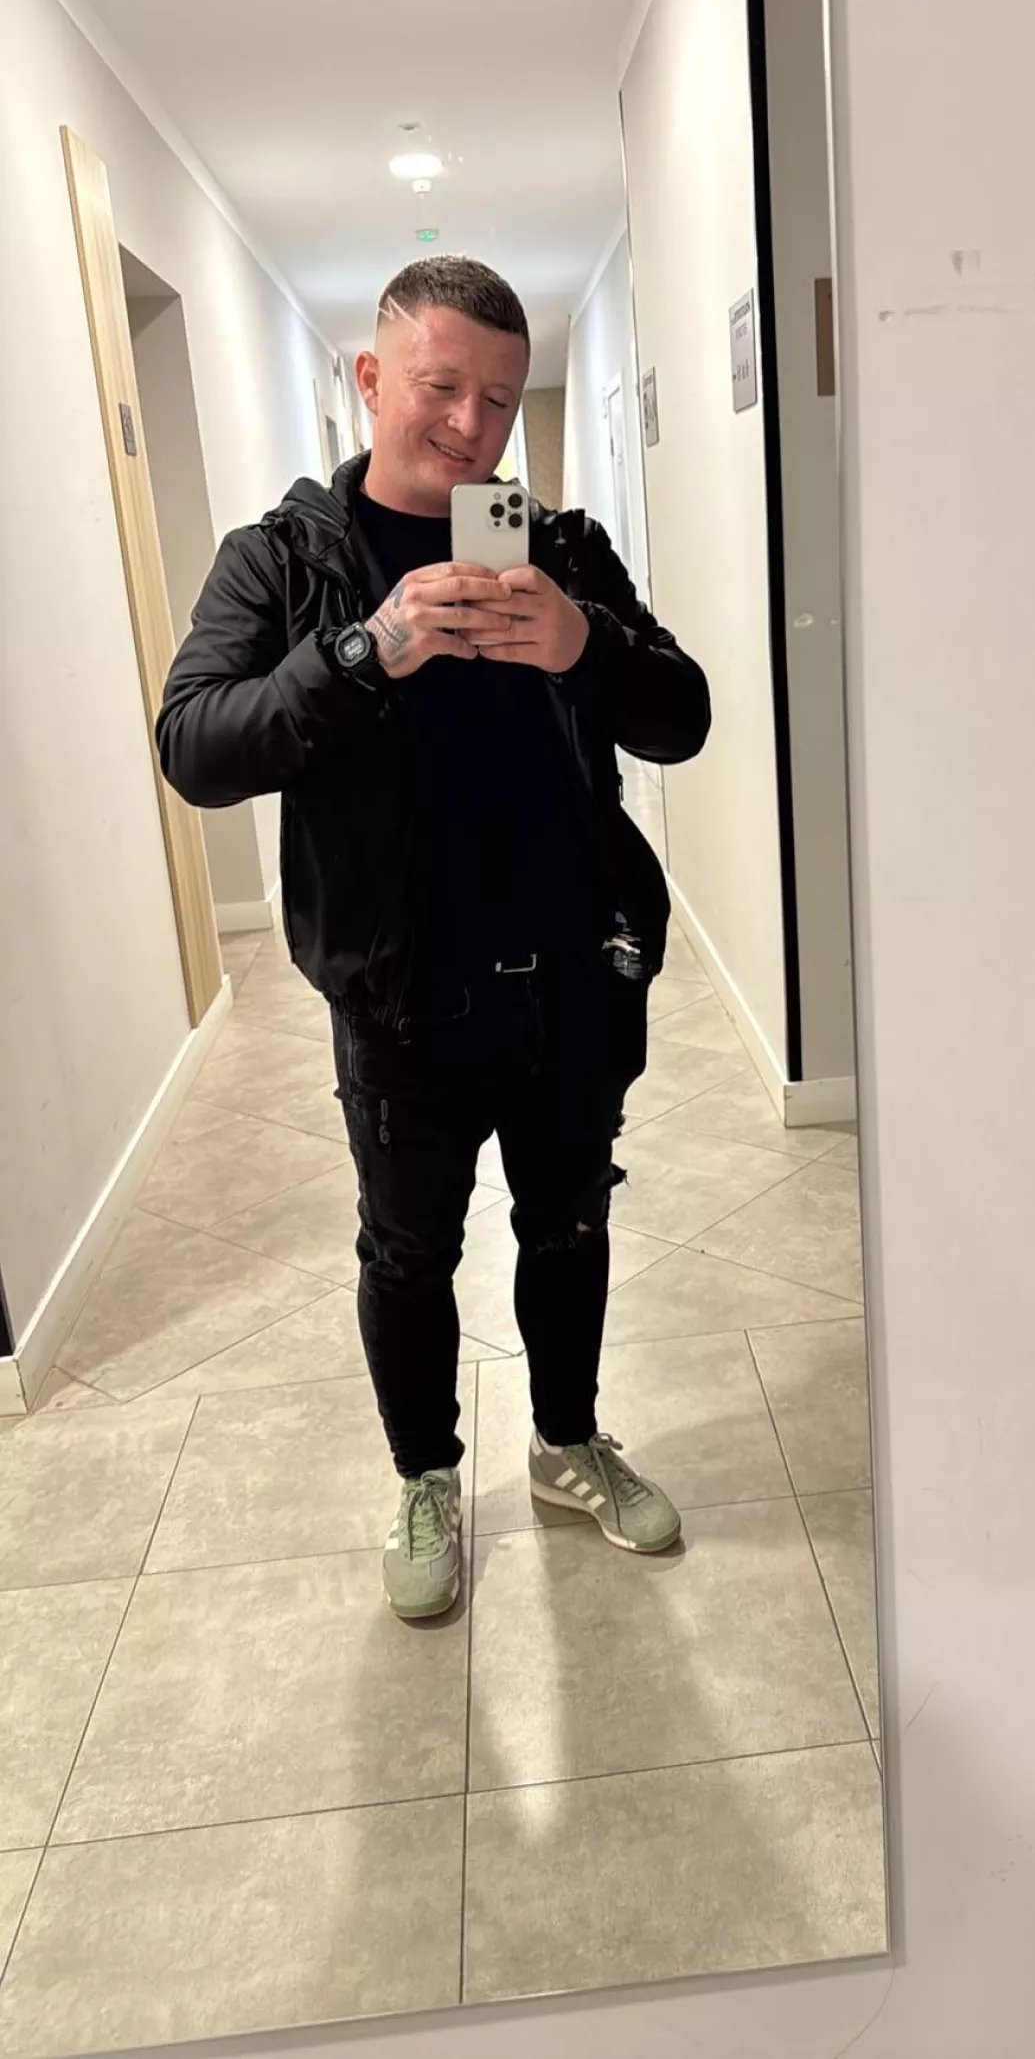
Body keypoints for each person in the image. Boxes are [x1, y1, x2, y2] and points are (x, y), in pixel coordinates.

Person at [156, 255, 711, 1619]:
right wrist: (365, 652)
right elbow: (196, 743)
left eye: (501, 399)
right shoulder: (284, 560)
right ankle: (424, 1475)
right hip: (404, 994)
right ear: (371, 377)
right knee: (408, 1252)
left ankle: (567, 1443)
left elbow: (681, 715)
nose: (472, 426)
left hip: (574, 979)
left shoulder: (556, 549)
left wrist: (583, 645)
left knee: (570, 1221)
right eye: (440, 386)